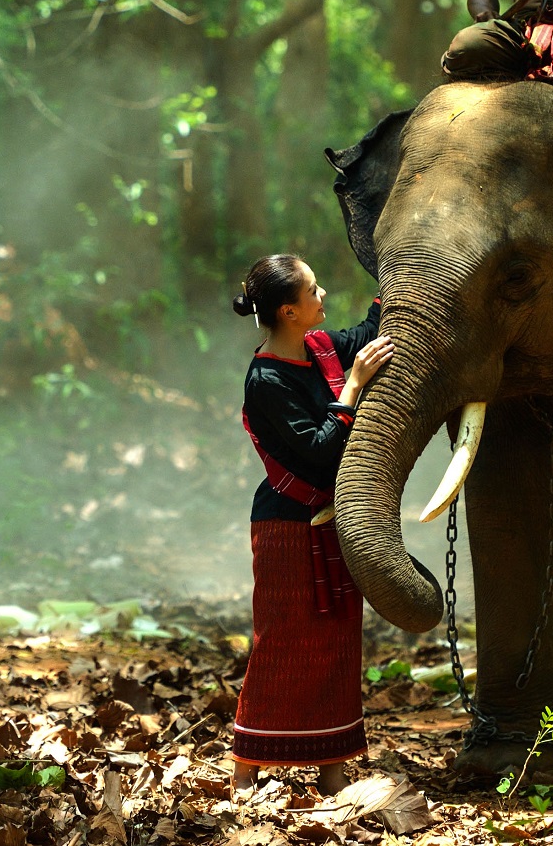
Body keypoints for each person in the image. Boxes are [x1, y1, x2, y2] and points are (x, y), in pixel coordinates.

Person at [228, 254, 393, 795]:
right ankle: (247, 770)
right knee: (282, 644)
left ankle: (333, 770)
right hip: (286, 527)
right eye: (314, 291)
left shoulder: (322, 348)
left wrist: (390, 267)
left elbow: (372, 331)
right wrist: (352, 390)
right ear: (288, 311)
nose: (323, 296)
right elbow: (320, 455)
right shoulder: (267, 378)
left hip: (331, 521)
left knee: (338, 639)